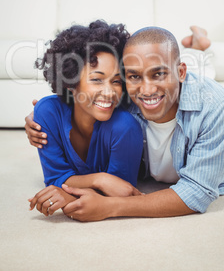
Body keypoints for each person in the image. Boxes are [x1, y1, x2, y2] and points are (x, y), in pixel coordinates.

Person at [27, 26, 224, 221]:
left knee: (204, 76)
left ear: (181, 72)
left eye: (158, 74)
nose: (147, 89)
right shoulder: (122, 94)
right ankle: (197, 47)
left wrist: (112, 207)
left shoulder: (217, 106)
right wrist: (36, 117)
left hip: (218, 147)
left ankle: (201, 46)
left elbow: (196, 193)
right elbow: (84, 90)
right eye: (133, 76)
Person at [27, 20, 144, 217]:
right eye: (97, 79)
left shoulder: (125, 127)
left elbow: (121, 193)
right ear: (70, 82)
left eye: (116, 81)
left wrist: (70, 196)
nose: (109, 92)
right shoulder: (47, 112)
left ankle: (198, 43)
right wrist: (100, 179)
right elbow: (55, 177)